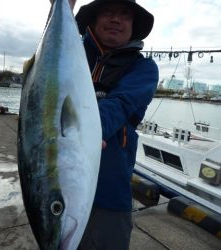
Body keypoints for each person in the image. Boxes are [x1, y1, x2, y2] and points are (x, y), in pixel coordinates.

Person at [75, 0, 159, 249]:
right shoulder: (71, 53)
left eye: (125, 15)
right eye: (108, 12)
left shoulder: (143, 68)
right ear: (93, 20)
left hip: (111, 192)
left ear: (133, 26)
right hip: (60, 181)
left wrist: (85, 134)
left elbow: (121, 103)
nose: (116, 19)